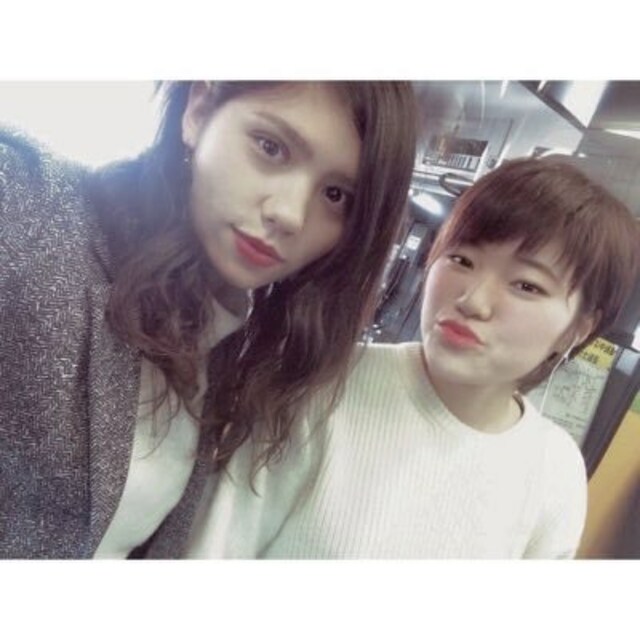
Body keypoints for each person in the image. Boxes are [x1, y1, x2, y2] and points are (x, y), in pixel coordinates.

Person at [0, 81, 417, 558]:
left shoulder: (227, 338)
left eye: (337, 195)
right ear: (199, 109)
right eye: (270, 147)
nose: (290, 214)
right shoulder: (28, 208)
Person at [184, 156, 640, 559]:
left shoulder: (554, 471)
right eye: (462, 260)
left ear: (578, 329)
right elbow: (213, 552)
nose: (473, 301)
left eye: (526, 285)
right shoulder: (319, 383)